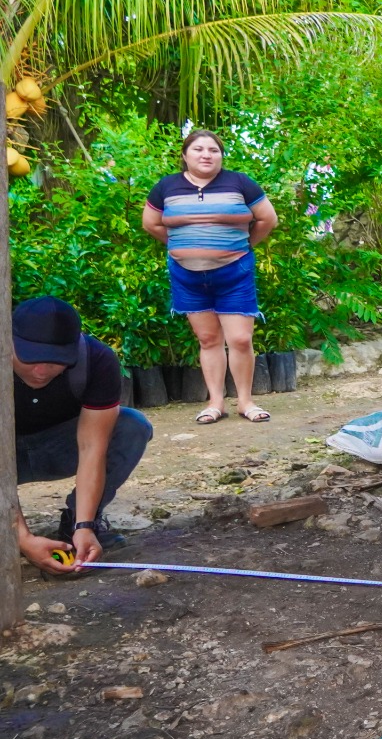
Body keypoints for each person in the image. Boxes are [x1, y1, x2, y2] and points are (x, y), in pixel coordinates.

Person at [142, 129, 279, 424]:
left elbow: (268, 219)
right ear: (184, 155)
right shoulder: (166, 187)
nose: (206, 155)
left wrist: (243, 246)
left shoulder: (240, 183)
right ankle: (216, 402)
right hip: (187, 277)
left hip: (234, 273)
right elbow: (151, 223)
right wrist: (180, 246)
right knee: (207, 339)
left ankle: (245, 402)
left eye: (213, 150)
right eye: (199, 149)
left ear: (221, 155)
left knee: (241, 339)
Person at [11, 297, 153, 574]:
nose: (41, 371)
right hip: (9, 455)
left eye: (55, 362)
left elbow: (92, 448)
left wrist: (84, 525)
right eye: (30, 358)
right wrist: (22, 539)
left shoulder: (97, 360)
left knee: (132, 425)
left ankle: (74, 527)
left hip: (55, 449)